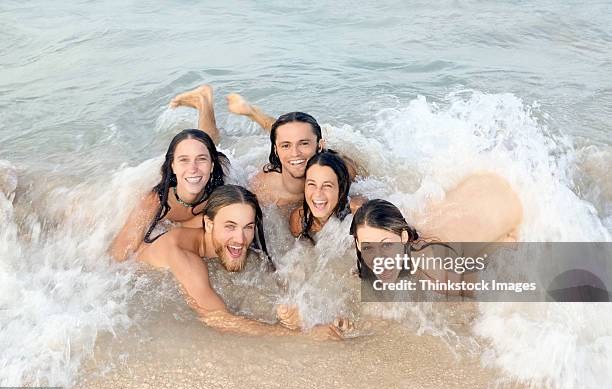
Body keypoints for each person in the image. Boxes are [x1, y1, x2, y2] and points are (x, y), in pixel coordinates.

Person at [136, 184, 346, 339]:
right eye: (230, 226)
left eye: (248, 227)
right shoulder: (182, 255)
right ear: (208, 224)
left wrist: (308, 317)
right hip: (135, 290)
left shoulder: (236, 246)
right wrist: (304, 337)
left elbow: (280, 287)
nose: (241, 238)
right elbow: (217, 319)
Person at [169, 85, 360, 206]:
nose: (295, 153)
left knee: (290, 133)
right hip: (256, 168)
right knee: (210, 148)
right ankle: (203, 101)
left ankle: (253, 112)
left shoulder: (341, 169)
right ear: (275, 150)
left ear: (320, 146)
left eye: (305, 144)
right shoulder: (262, 189)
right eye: (284, 147)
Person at [349, 173, 523, 292]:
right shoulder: (368, 233)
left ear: (403, 238)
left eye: (387, 245)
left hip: (496, 205)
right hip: (453, 208)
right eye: (368, 248)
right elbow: (359, 207)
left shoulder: (433, 272)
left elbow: (488, 289)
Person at [110, 129, 228, 261]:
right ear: (173, 166)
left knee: (212, 139)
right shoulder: (155, 202)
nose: (193, 168)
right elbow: (119, 252)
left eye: (201, 159)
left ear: (212, 166)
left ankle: (205, 108)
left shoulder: (219, 197)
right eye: (184, 160)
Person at [288, 152, 363, 239]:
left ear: (341, 189)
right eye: (312, 184)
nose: (318, 193)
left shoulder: (356, 209)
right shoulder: (299, 220)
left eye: (327, 185)